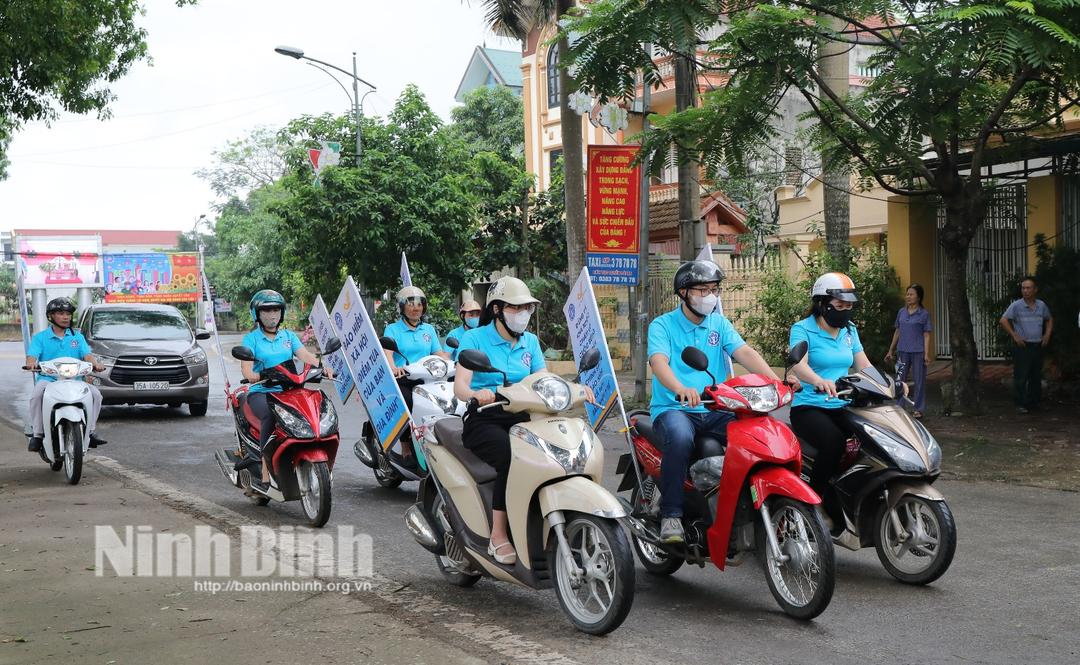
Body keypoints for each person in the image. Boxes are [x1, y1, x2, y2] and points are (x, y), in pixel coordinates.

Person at [648, 260, 790, 543]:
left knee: (761, 432)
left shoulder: (718, 323)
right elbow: (659, 362)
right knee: (678, 438)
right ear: (683, 293)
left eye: (714, 289)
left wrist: (777, 381)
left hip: (715, 407)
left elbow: (745, 353)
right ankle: (671, 515)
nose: (710, 295)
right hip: (675, 407)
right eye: (702, 290)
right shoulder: (662, 325)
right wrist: (680, 388)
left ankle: (763, 502)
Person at [454, 277, 593, 565]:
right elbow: (460, 387)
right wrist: (477, 394)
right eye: (517, 308)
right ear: (497, 309)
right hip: (485, 418)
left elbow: (541, 379)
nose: (523, 314)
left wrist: (574, 389)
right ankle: (498, 535)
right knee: (510, 456)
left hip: (527, 415)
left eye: (527, 308)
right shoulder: (475, 339)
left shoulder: (529, 341)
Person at [787, 273, 881, 530]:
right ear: (822, 303)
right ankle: (815, 502)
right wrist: (817, 380)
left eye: (849, 306)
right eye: (840, 306)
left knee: (874, 437)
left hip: (842, 403)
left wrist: (888, 384)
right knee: (834, 442)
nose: (845, 311)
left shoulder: (850, 331)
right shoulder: (802, 329)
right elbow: (799, 364)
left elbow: (864, 365)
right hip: (810, 405)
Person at [237, 289, 332, 488]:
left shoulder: (288, 336)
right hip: (262, 391)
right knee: (271, 416)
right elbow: (246, 367)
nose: (272, 315)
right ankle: (265, 466)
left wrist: (323, 367)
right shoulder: (251, 339)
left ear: (282, 313)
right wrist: (253, 375)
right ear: (257, 314)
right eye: (266, 311)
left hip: (288, 390)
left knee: (315, 406)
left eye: (276, 310)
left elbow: (305, 356)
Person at [26, 298, 107, 452]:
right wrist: (31, 363)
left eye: (68, 314)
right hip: (48, 380)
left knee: (96, 395)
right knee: (36, 396)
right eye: (61, 313)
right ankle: (37, 434)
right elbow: (31, 356)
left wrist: (95, 364)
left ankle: (90, 432)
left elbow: (87, 355)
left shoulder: (77, 337)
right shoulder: (40, 337)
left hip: (75, 380)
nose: (66, 317)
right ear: (51, 316)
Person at [1000, 276, 1053, 413]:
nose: (1025, 291)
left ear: (1035, 290)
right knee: (1021, 376)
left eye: (1028, 288)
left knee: (1036, 376)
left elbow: (1049, 319)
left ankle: (1034, 403)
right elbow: (1004, 320)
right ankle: (1020, 403)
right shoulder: (1017, 305)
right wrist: (1014, 335)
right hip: (1023, 346)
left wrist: (1047, 334)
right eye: (1023, 288)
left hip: (1037, 345)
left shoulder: (1041, 305)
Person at [885, 283, 933, 418]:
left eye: (911, 294)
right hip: (902, 351)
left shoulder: (923, 314)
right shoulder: (901, 312)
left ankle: (918, 409)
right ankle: (899, 407)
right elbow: (897, 331)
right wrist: (891, 350)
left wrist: (927, 354)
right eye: (907, 294)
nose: (908, 297)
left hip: (918, 351)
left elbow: (926, 334)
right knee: (900, 380)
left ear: (918, 297)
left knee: (919, 381)